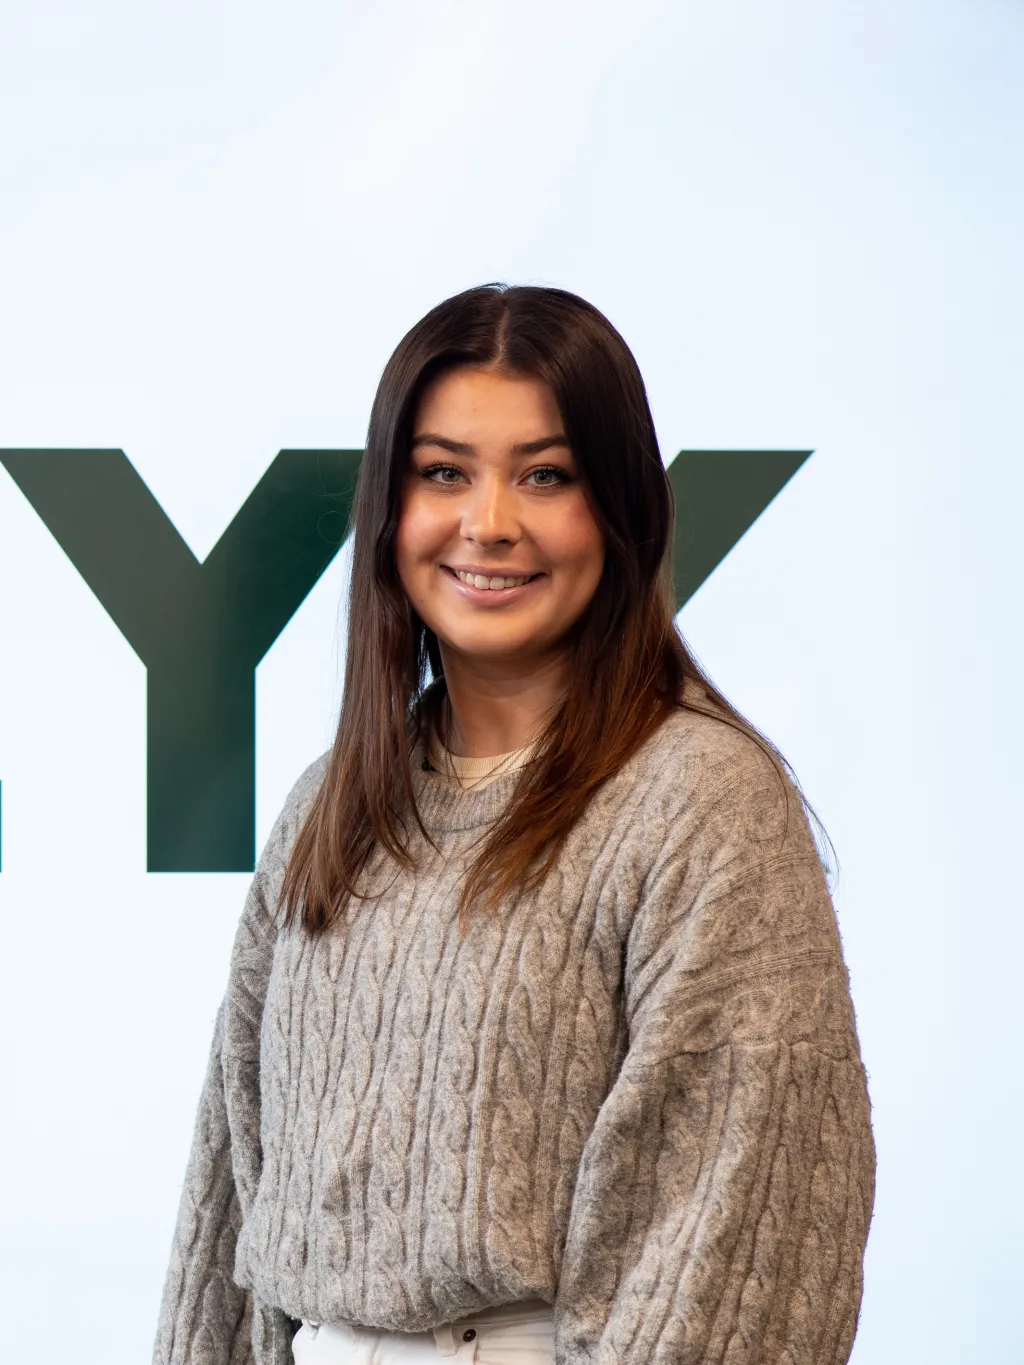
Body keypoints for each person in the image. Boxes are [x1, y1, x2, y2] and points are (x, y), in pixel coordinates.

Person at [152, 283, 875, 1365]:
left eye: (547, 476)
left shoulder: (700, 806)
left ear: (623, 509)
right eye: (443, 473)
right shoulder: (328, 802)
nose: (488, 523)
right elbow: (233, 1189)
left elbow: (728, 1248)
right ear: (390, 510)